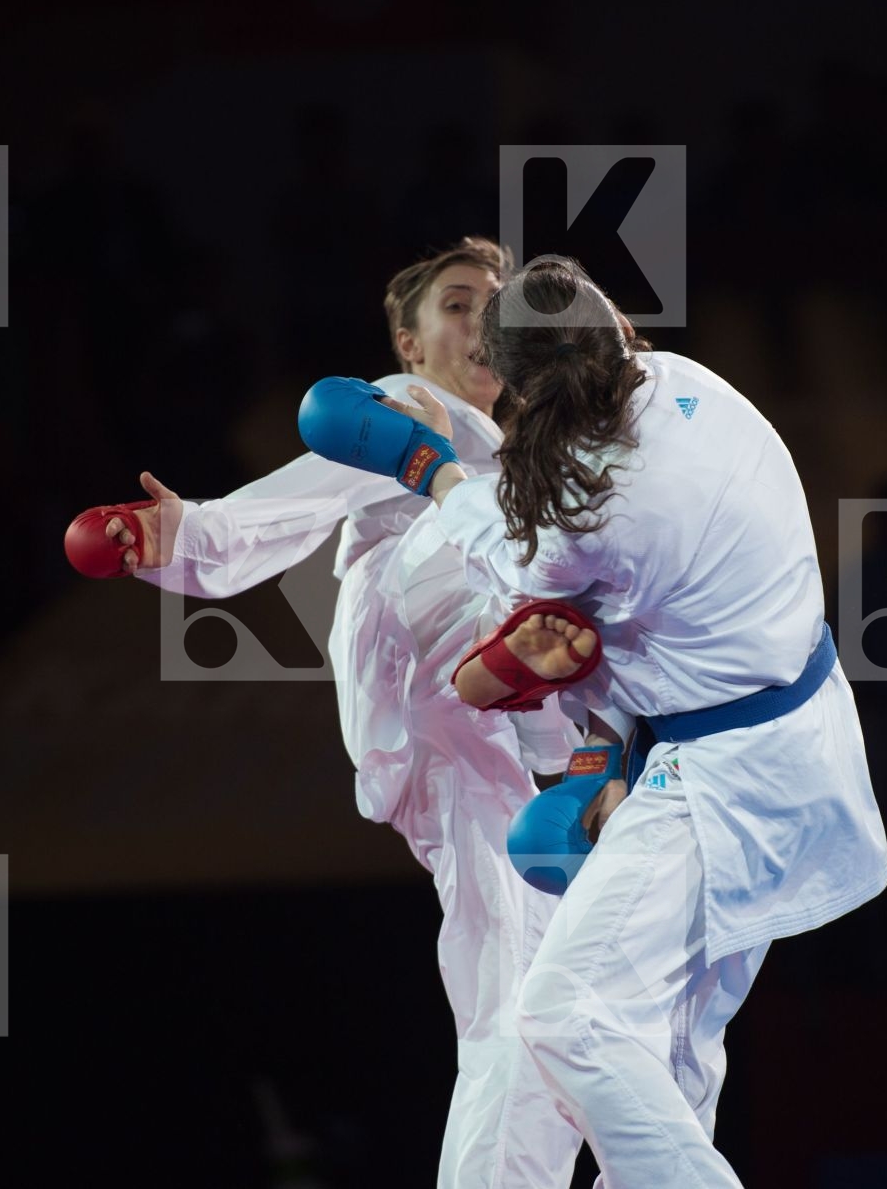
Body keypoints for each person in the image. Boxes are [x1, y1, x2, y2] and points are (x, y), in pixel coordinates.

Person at [300, 257, 887, 1186]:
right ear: (615, 331)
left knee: (567, 1017)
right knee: (667, 1049)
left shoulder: (581, 511)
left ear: (520, 393)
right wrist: (597, 752)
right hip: (798, 736)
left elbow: (515, 593)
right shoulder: (689, 382)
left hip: (723, 779)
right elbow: (599, 616)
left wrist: (428, 464)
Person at [65, 238, 590, 1188]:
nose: (484, 322)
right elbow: (302, 495)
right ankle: (513, 658)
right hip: (426, 657)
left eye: (498, 307)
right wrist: (186, 535)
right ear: (409, 340)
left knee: (535, 1000)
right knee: (517, 1001)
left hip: (495, 742)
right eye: (459, 305)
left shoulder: (527, 457)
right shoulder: (404, 408)